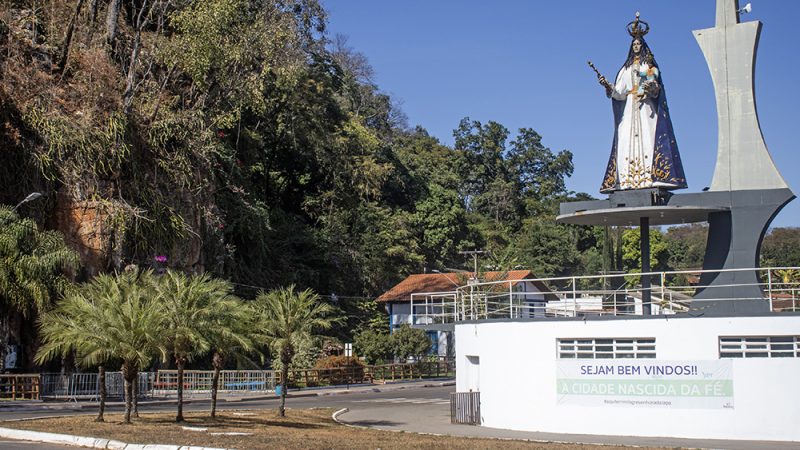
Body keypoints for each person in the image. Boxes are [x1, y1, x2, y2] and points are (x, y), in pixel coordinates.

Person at [598, 13, 687, 193]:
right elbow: (620, 93)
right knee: (624, 139)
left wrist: (651, 87)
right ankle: (625, 180)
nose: (636, 46)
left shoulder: (649, 66)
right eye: (634, 45)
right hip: (630, 107)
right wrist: (608, 87)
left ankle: (650, 177)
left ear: (643, 46)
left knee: (649, 137)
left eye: (638, 44)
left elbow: (656, 87)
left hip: (646, 107)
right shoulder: (625, 68)